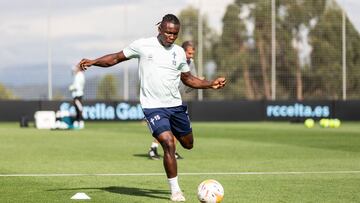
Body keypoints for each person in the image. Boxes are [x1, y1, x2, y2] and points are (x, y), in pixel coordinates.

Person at [78, 14, 226, 202]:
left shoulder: (179, 52)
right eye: (168, 32)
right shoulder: (142, 45)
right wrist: (93, 62)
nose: (171, 37)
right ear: (160, 29)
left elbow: (188, 78)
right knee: (168, 143)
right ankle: (175, 191)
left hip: (175, 106)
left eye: (175, 34)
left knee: (188, 144)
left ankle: (173, 133)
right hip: (153, 107)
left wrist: (210, 84)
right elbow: (115, 58)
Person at [148, 41, 198, 160]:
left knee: (175, 127)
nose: (191, 56)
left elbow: (192, 81)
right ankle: (153, 148)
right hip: (163, 98)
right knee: (165, 126)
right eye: (189, 53)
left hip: (176, 99)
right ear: (183, 51)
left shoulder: (191, 62)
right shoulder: (171, 58)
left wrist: (199, 82)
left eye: (193, 54)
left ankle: (172, 151)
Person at [68, 65, 85, 129]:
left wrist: (71, 87)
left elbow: (77, 86)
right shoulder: (79, 75)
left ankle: (80, 122)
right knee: (77, 109)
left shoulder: (79, 76)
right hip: (76, 94)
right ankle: (78, 121)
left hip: (78, 95)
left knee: (79, 108)